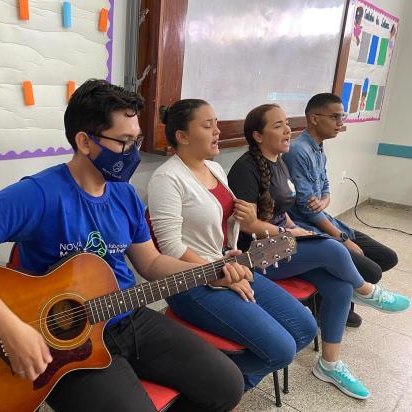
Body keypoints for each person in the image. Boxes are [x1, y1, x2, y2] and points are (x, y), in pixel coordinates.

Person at [0, 79, 250, 412]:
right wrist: (10, 328)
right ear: (85, 142)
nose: (132, 152)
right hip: (61, 340)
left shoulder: (125, 195)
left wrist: (207, 272)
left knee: (226, 385)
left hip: (125, 316)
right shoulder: (40, 194)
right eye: (123, 142)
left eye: (136, 140)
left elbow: (150, 264)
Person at [227, 103, 409, 400]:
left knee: (337, 287)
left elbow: (281, 211)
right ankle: (366, 291)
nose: (288, 130)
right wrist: (288, 233)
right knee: (333, 249)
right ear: (258, 136)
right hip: (256, 255)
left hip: (281, 242)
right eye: (278, 125)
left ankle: (330, 364)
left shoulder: (279, 161)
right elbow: (248, 228)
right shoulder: (244, 169)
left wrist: (291, 228)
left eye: (287, 123)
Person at [146, 99, 317, 391]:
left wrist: (232, 250)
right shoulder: (166, 178)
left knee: (305, 328)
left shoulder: (215, 169)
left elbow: (222, 229)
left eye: (216, 123)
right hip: (189, 282)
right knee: (281, 349)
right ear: (182, 136)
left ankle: (214, 389)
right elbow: (171, 247)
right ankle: (212, 392)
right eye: (207, 125)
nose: (217, 130)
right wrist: (219, 271)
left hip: (227, 268)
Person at [284, 92, 399, 328]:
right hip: (311, 227)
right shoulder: (299, 151)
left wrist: (324, 201)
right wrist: (343, 239)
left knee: (388, 257)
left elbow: (324, 190)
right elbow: (307, 210)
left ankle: (341, 293)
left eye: (342, 117)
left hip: (326, 220)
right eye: (335, 117)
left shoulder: (317, 148)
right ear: (314, 118)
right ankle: (337, 297)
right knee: (372, 271)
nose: (340, 123)